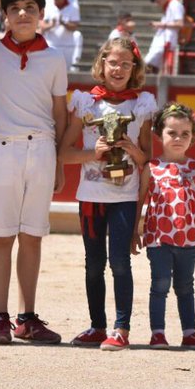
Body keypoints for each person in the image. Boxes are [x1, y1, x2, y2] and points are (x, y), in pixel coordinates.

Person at [0, 0, 68, 344]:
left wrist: (60, 161)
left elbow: (60, 113)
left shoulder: (54, 57)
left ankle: (26, 316)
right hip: (3, 147)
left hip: (43, 148)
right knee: (1, 235)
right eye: (15, 8)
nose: (22, 14)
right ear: (5, 14)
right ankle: (0, 316)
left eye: (30, 7)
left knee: (32, 236)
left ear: (41, 15)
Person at [59, 37, 156, 350]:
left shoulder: (141, 105)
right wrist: (93, 153)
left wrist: (131, 149)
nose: (119, 69)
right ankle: (97, 326)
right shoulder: (86, 103)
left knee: (120, 263)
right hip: (90, 194)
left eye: (126, 64)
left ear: (134, 69)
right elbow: (63, 152)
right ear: (102, 65)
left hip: (124, 196)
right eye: (113, 62)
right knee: (93, 263)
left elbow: (146, 160)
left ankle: (121, 328)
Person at [132, 102, 195, 351]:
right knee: (159, 284)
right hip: (158, 237)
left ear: (193, 136)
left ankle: (189, 333)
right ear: (159, 133)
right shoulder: (152, 168)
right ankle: (158, 333)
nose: (178, 138)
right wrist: (134, 232)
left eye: (185, 134)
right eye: (172, 133)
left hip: (188, 238)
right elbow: (140, 202)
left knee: (185, 286)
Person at [143, 0, 184, 73]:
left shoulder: (175, 5)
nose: (158, 4)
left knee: (148, 62)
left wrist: (161, 25)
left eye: (158, 1)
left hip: (166, 41)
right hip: (162, 39)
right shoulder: (169, 5)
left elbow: (180, 24)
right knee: (153, 65)